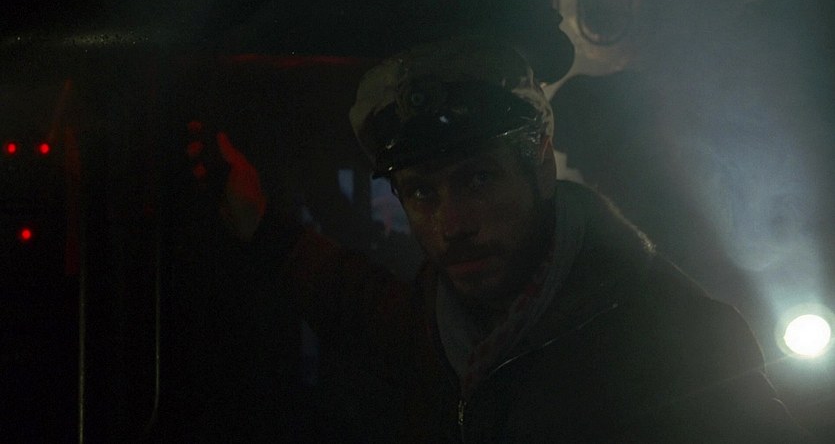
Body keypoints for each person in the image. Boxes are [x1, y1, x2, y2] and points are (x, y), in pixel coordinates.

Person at [196, 36, 809, 442]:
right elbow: (362, 306)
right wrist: (261, 225)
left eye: (477, 179)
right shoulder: (446, 324)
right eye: (421, 192)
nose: (452, 224)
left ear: (540, 164)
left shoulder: (677, 342)